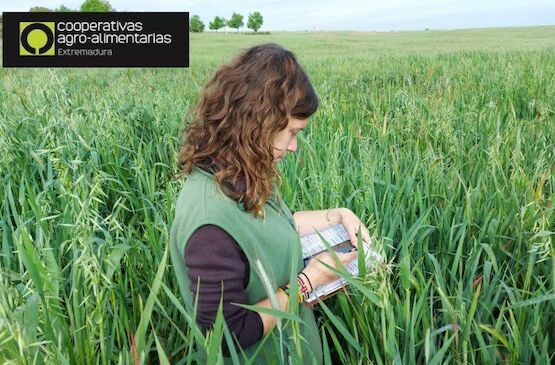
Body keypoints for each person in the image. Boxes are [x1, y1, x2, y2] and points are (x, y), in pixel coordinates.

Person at [170, 43, 371, 364]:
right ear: (257, 121)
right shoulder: (209, 223)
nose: (293, 146)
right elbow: (225, 337)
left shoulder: (236, 172)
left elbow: (271, 227)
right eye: (291, 132)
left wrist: (337, 215)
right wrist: (307, 283)